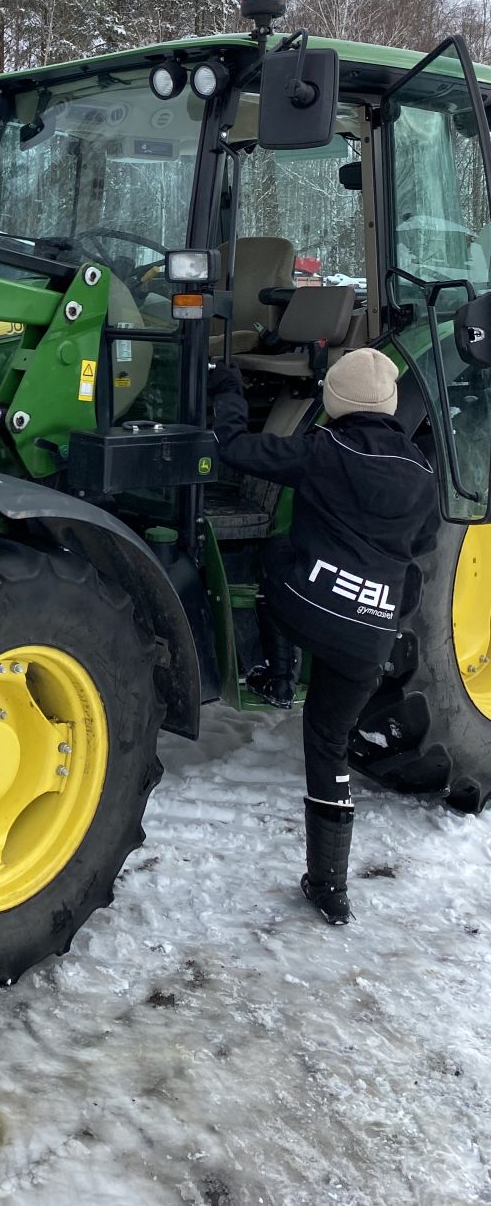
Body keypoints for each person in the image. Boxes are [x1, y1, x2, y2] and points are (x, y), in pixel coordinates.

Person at [208, 348, 438, 925]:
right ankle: (331, 889)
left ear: (334, 401)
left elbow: (233, 448)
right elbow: (425, 542)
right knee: (327, 746)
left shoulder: (323, 449)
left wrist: (228, 385)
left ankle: (278, 675)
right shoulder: (423, 472)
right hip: (370, 634)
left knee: (273, 556)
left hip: (308, 606)